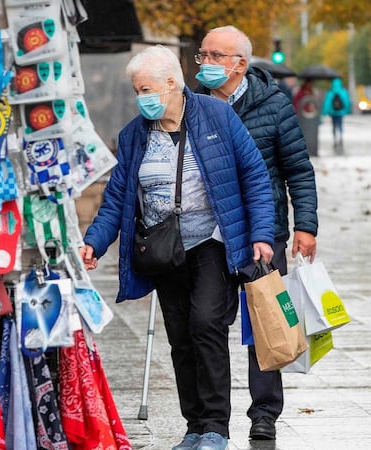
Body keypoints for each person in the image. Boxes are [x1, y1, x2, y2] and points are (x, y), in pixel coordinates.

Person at [79, 45, 275, 450]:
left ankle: (216, 427)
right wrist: (93, 243)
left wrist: (261, 235)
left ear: (172, 84)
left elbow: (254, 174)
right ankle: (195, 425)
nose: (141, 98)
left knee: (206, 325)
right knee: (181, 336)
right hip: (163, 248)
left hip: (211, 243)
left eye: (146, 89)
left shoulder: (216, 115)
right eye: (137, 90)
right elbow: (116, 198)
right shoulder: (134, 134)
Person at [194, 25, 319, 441]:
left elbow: (299, 170)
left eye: (216, 56)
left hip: (265, 234)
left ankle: (264, 412)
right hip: (210, 234)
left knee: (264, 324)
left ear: (239, 64)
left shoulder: (274, 104)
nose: (206, 64)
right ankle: (212, 418)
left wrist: (306, 225)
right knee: (208, 321)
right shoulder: (193, 105)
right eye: (203, 55)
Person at [322, 77, 352, 143]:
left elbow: (327, 103)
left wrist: (324, 112)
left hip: (332, 112)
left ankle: (335, 138)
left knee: (334, 125)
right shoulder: (343, 91)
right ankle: (341, 136)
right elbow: (347, 102)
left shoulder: (330, 92)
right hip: (341, 112)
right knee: (340, 124)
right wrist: (348, 110)